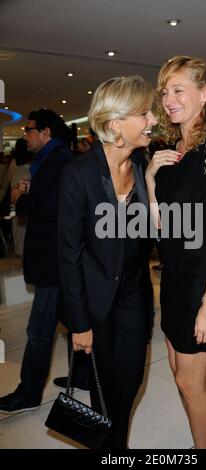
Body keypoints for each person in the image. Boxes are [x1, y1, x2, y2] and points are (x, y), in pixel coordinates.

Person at [145, 56, 206, 449]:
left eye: (178, 89)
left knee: (191, 381)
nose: (168, 99)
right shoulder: (175, 148)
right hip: (174, 276)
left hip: (204, 282)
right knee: (178, 372)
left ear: (205, 94)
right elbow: (161, 226)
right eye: (165, 91)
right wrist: (151, 178)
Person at [57, 75, 156, 449]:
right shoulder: (79, 173)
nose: (152, 121)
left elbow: (153, 230)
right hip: (95, 303)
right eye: (143, 114)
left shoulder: (143, 164)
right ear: (115, 123)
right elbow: (68, 255)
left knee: (128, 383)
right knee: (103, 391)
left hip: (134, 293)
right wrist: (78, 322)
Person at [0, 109, 73, 414]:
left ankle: (29, 393)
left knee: (40, 330)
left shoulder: (59, 161)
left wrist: (21, 200)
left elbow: (52, 207)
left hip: (55, 260)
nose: (25, 135)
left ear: (46, 133)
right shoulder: (53, 160)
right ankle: (81, 375)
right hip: (58, 258)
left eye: (29, 130)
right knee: (71, 319)